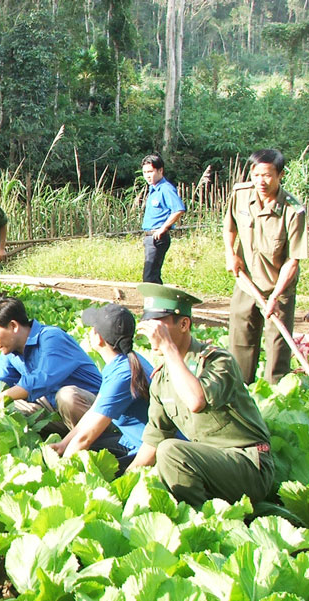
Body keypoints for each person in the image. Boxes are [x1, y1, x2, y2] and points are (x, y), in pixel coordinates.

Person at [128, 283, 275, 506]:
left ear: (184, 324)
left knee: (171, 452)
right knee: (159, 471)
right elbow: (154, 440)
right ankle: (203, 515)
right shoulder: (161, 379)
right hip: (208, 466)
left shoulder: (218, 362)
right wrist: (124, 483)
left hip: (248, 464)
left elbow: (196, 401)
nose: (153, 335)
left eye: (159, 327)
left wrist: (169, 347)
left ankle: (203, 517)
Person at [223, 148, 307, 384]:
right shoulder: (240, 195)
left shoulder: (293, 211)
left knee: (277, 347)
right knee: (241, 340)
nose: (261, 181)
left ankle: (275, 397)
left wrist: (275, 297)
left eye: (267, 175)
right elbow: (229, 228)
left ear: (280, 175)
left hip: (278, 288)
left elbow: (293, 261)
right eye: (256, 174)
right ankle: (240, 391)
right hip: (247, 282)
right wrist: (231, 255)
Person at [0, 297, 103, 437]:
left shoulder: (51, 337)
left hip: (97, 412)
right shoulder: (9, 352)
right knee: (6, 408)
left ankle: (91, 443)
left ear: (13, 326)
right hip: (56, 411)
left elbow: (41, 380)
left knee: (67, 396)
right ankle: (66, 440)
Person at [50, 303, 153, 470]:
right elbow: (94, 411)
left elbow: (85, 438)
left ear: (98, 338)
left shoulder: (123, 374)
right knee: (89, 451)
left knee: (97, 467)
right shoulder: (127, 360)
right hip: (133, 441)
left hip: (146, 452)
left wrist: (63, 470)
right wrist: (64, 444)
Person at [140, 154, 186, 284]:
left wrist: (163, 229)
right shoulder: (153, 189)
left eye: (150, 172)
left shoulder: (166, 189)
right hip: (150, 236)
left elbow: (178, 209)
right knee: (150, 274)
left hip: (158, 237)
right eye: (145, 172)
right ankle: (156, 302)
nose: (147, 176)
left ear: (160, 170)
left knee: (150, 277)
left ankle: (156, 304)